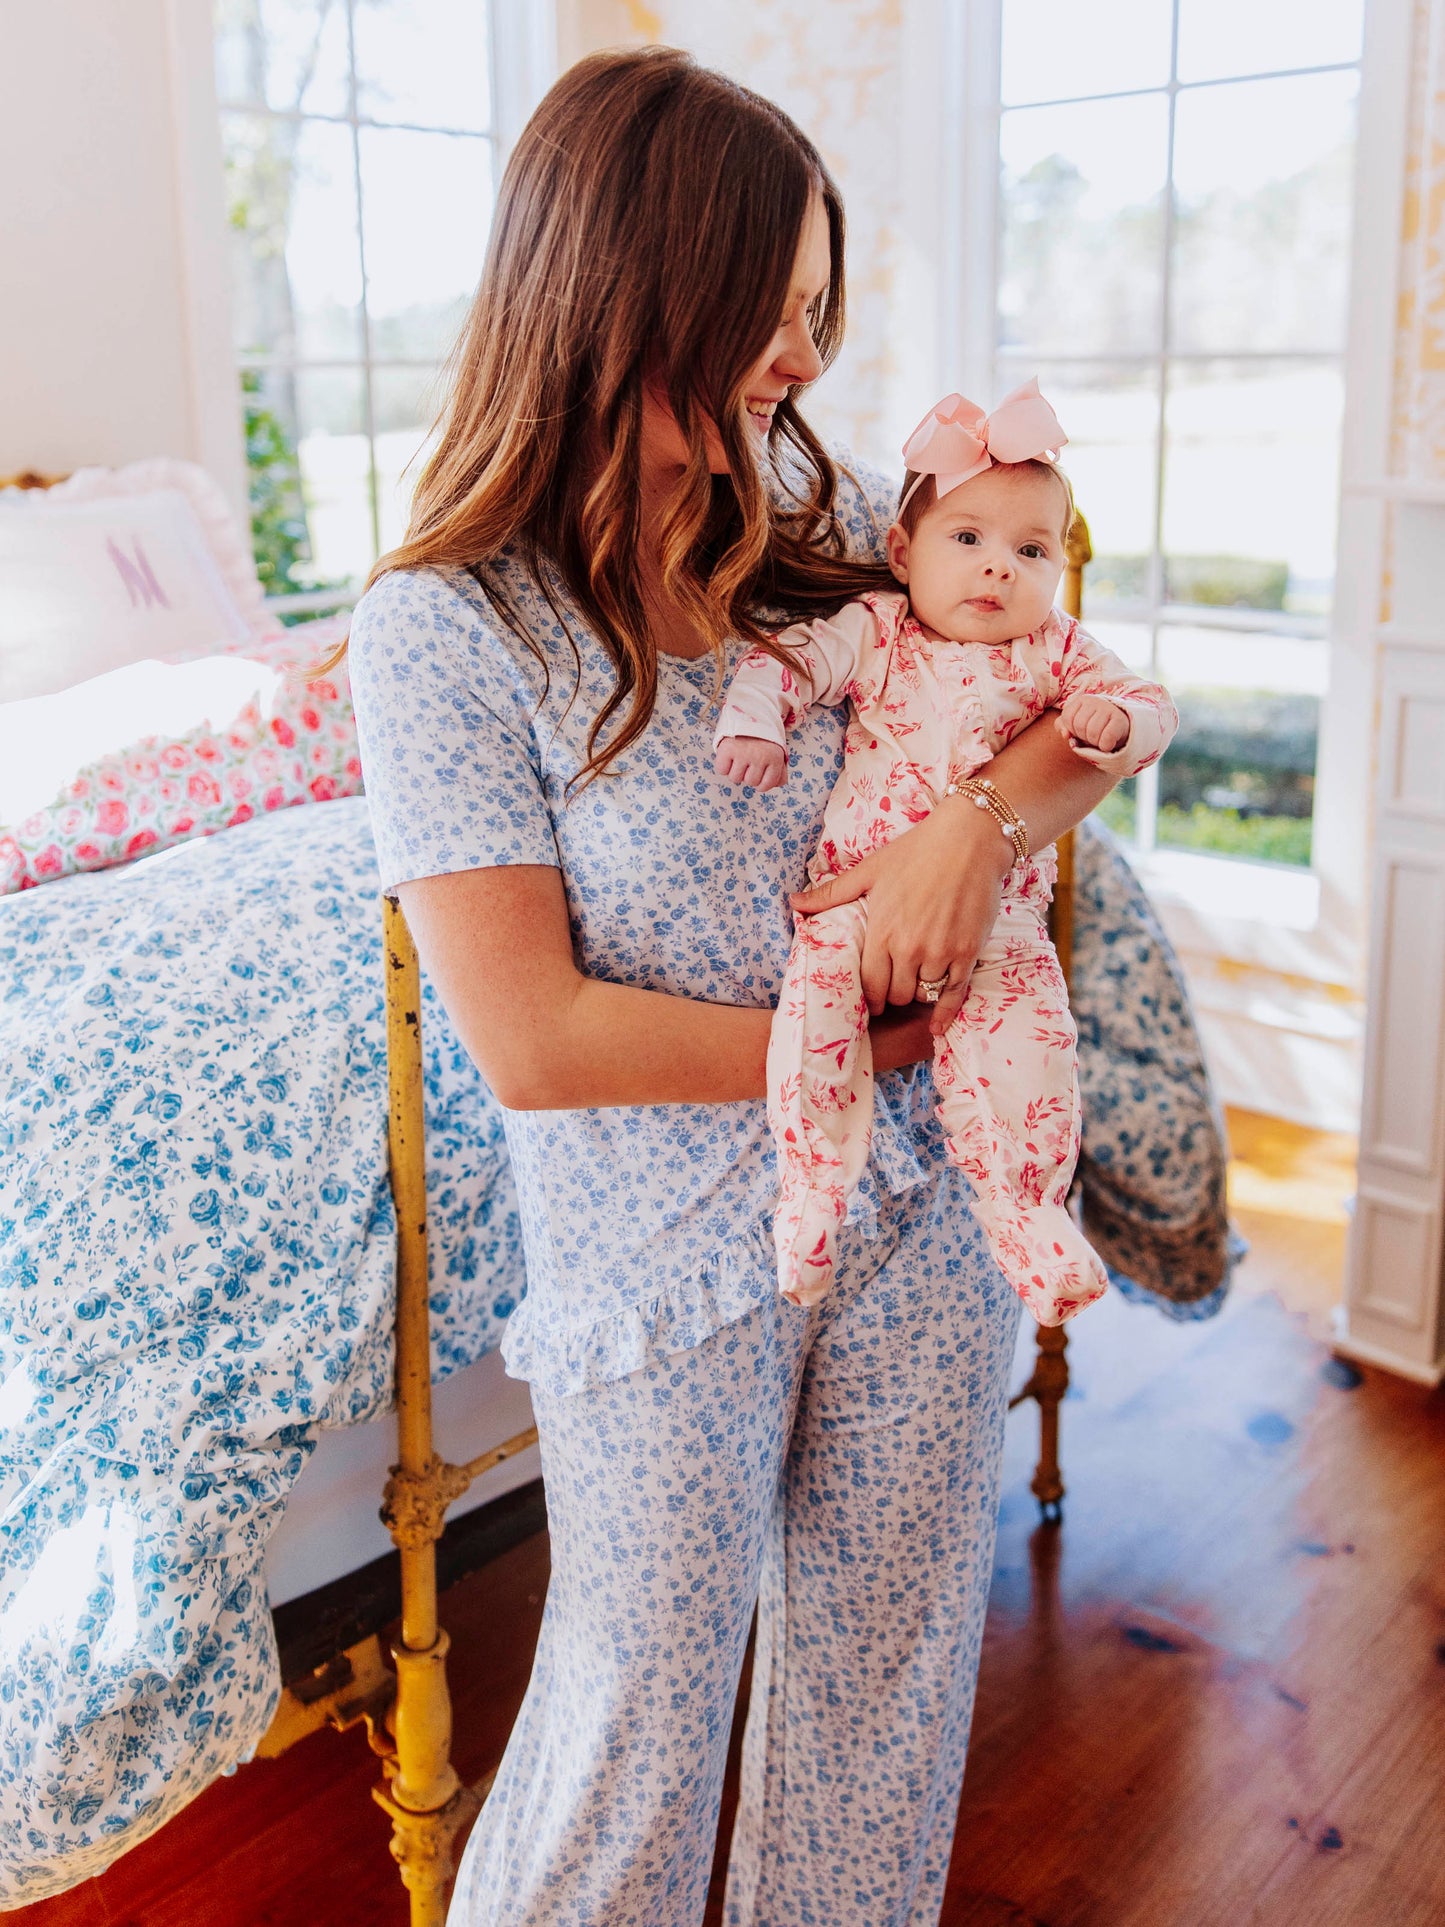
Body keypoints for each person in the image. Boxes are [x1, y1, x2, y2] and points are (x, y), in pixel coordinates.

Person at [347, 46, 1121, 1927]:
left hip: (916, 1200)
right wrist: (857, 1038)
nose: (802, 353)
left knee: (885, 1680)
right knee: (635, 1706)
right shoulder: (445, 627)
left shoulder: (818, 511)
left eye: (813, 309)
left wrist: (978, 834)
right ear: (633, 288)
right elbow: (537, 1041)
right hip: (667, 1248)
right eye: (768, 309)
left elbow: (1068, 686)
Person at [713, 381, 1178, 1321]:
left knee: (1032, 1053)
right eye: (966, 539)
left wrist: (1112, 721)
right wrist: (757, 722)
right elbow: (787, 661)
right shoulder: (879, 628)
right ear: (902, 552)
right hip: (849, 907)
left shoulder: (1053, 648)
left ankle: (1028, 1221)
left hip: (999, 917)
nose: (996, 570)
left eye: (1030, 550)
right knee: (811, 1027)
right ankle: (811, 1198)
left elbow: (1153, 708)